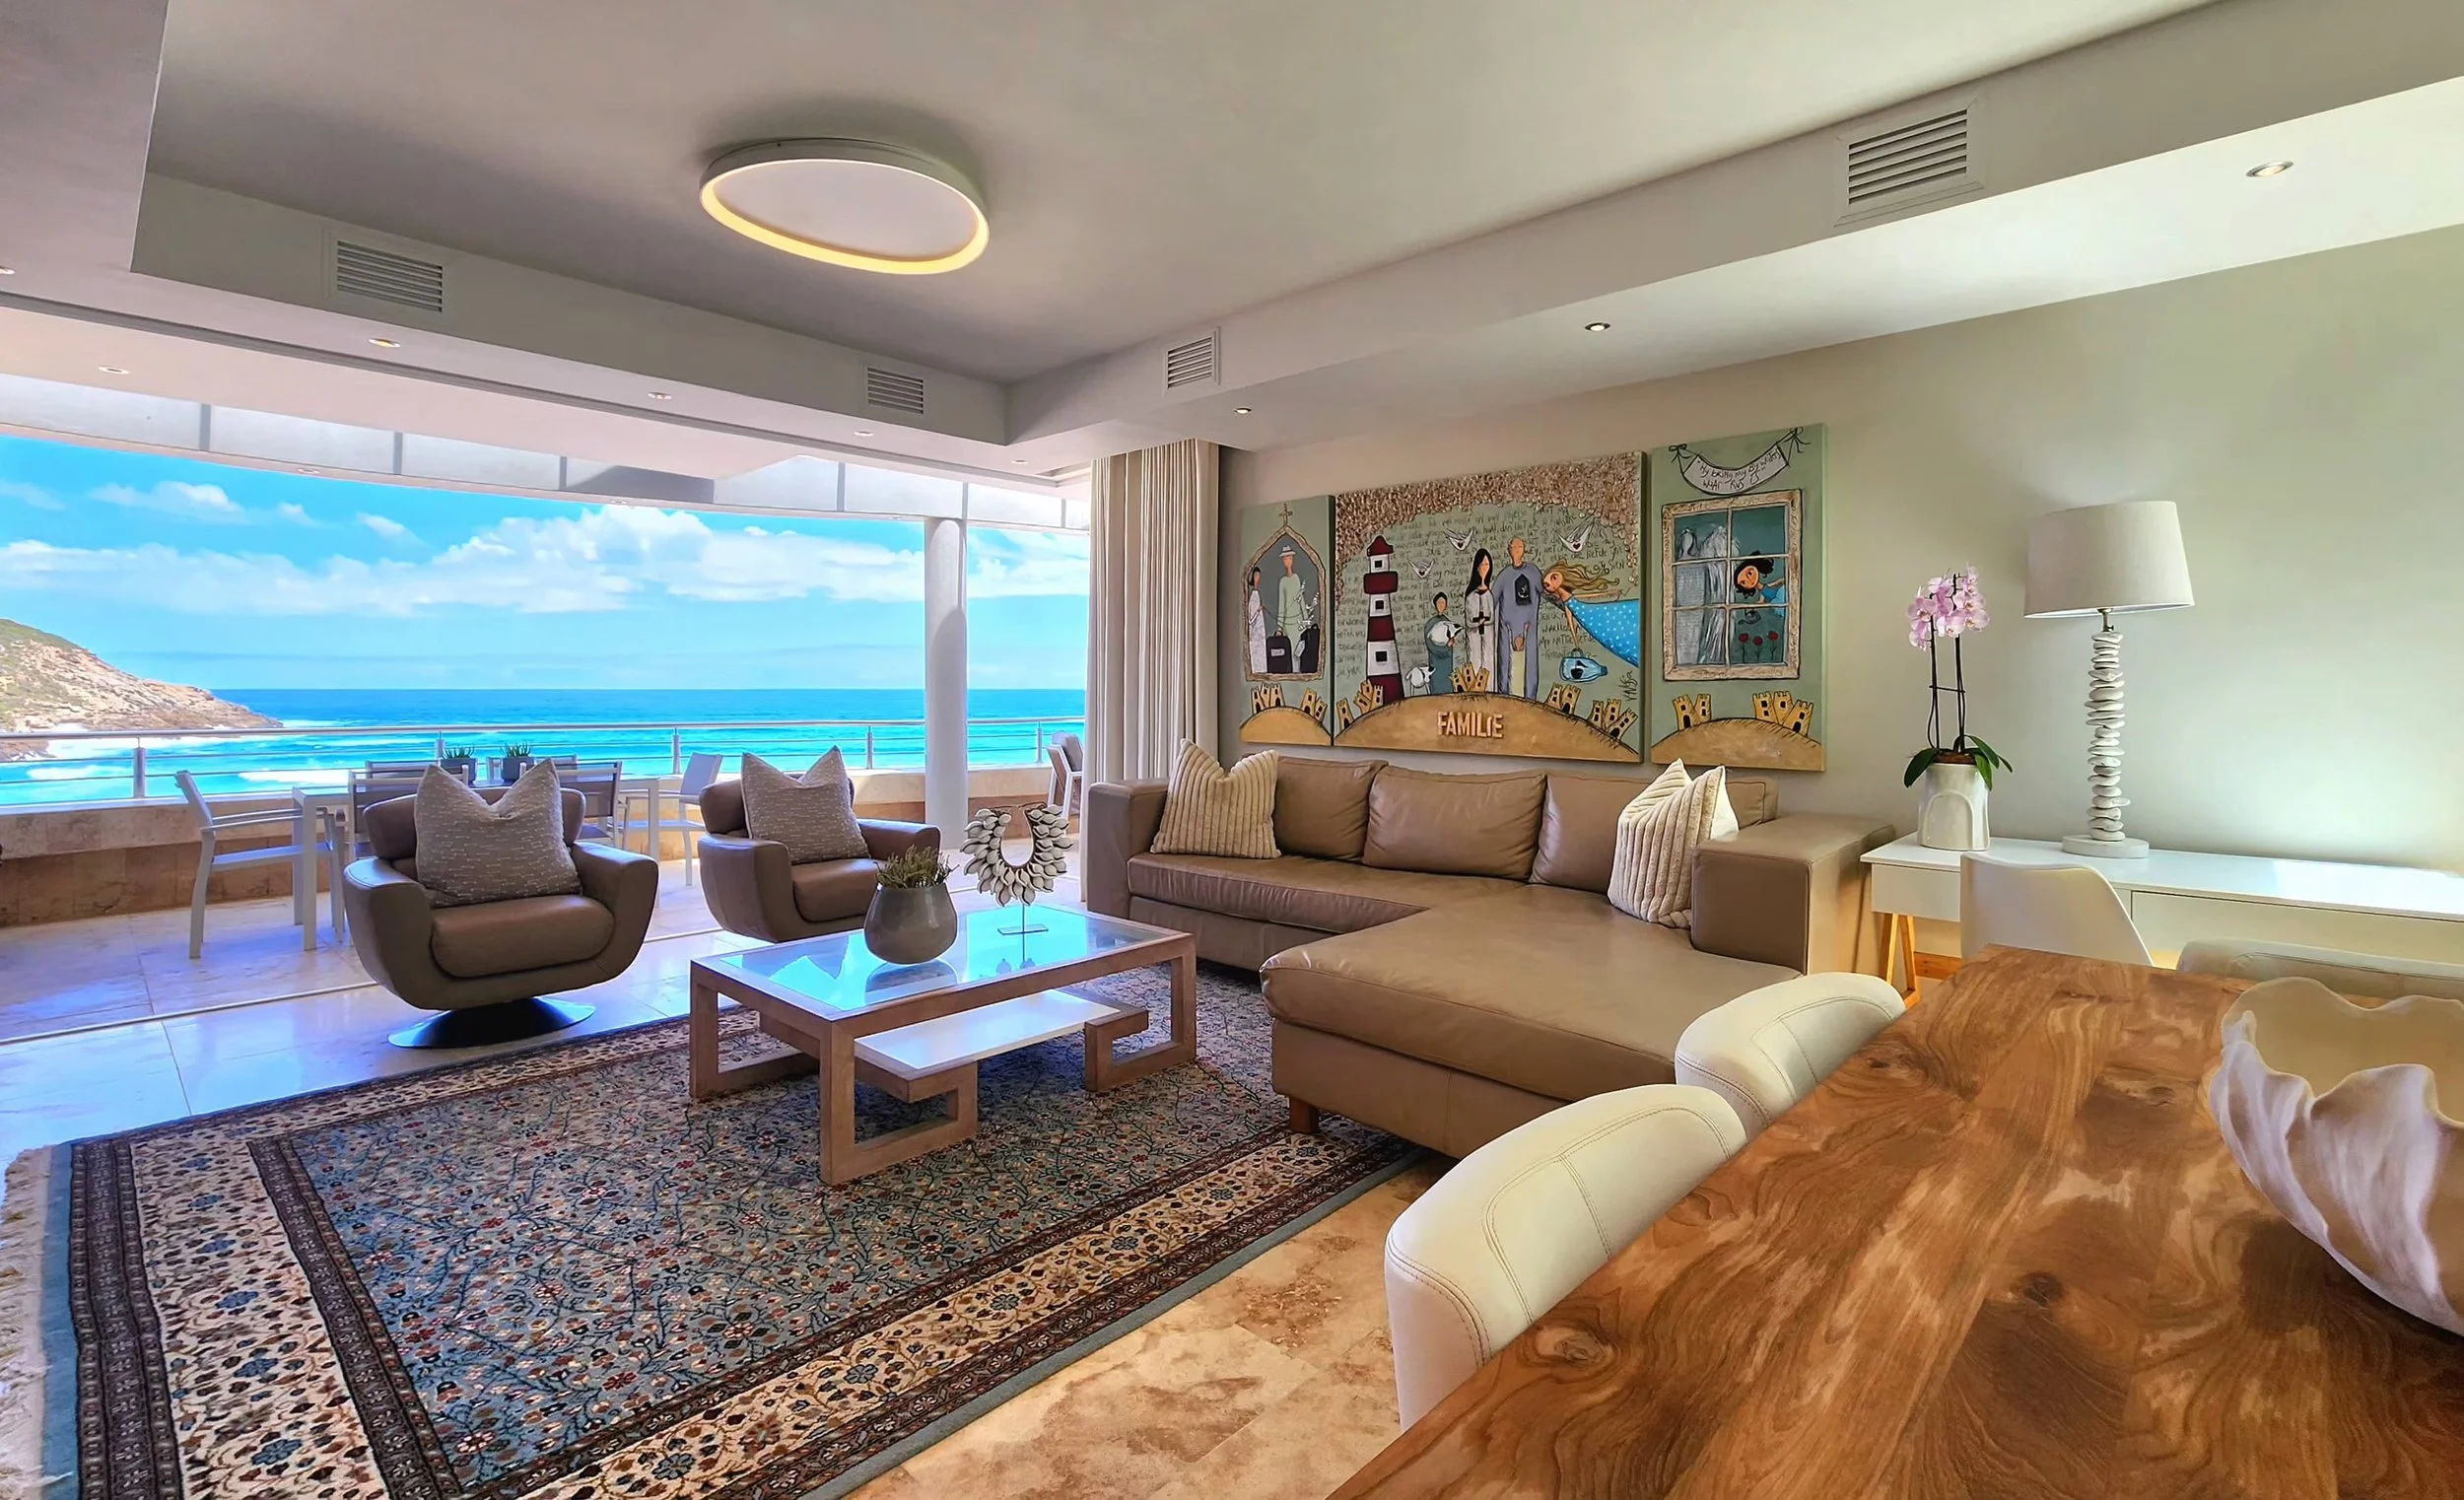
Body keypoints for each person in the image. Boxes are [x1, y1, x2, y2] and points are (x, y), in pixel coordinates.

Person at [1541, 560, 1643, 667]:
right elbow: (1569, 619)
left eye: (1554, 578)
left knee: (1621, 619)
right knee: (1614, 636)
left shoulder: (1569, 596)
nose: (1552, 584)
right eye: (1547, 584)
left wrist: (1610, 593)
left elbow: (1591, 596)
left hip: (1593, 612)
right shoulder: (1563, 600)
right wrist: (1576, 641)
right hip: (1588, 619)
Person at [1495, 536, 1546, 698]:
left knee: (1529, 668)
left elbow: (1546, 592)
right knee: (1507, 667)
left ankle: (1530, 698)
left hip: (1529, 630)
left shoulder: (1533, 572)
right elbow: (1491, 600)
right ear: (1509, 551)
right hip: (1507, 630)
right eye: (1513, 547)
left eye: (1520, 547)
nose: (1517, 550)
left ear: (1524, 549)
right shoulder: (1504, 576)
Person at [1460, 549, 1498, 693]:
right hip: (1475, 637)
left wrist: (1485, 622)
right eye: (1482, 564)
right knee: (1475, 663)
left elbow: (1491, 617)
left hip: (1487, 637)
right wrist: (1478, 622)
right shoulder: (1471, 596)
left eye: (1487, 565)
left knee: (1488, 664)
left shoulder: (1489, 594)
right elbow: (1469, 620)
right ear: (1477, 567)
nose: (1485, 568)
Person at [1424, 592, 1458, 695]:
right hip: (1436, 660)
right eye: (1439, 603)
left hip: (1447, 660)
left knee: (1447, 681)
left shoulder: (1447, 621)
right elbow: (1429, 642)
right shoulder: (1431, 623)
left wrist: (1452, 641)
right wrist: (1444, 648)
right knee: (1437, 683)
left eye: (1443, 603)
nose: (1441, 605)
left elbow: (1451, 637)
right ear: (1435, 605)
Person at [1245, 565, 1269, 676]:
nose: (1257, 578)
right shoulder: (1252, 596)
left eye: (1259, 575)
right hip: (1255, 633)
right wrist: (1258, 610)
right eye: (1256, 575)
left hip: (1260, 632)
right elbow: (1250, 619)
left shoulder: (1257, 593)